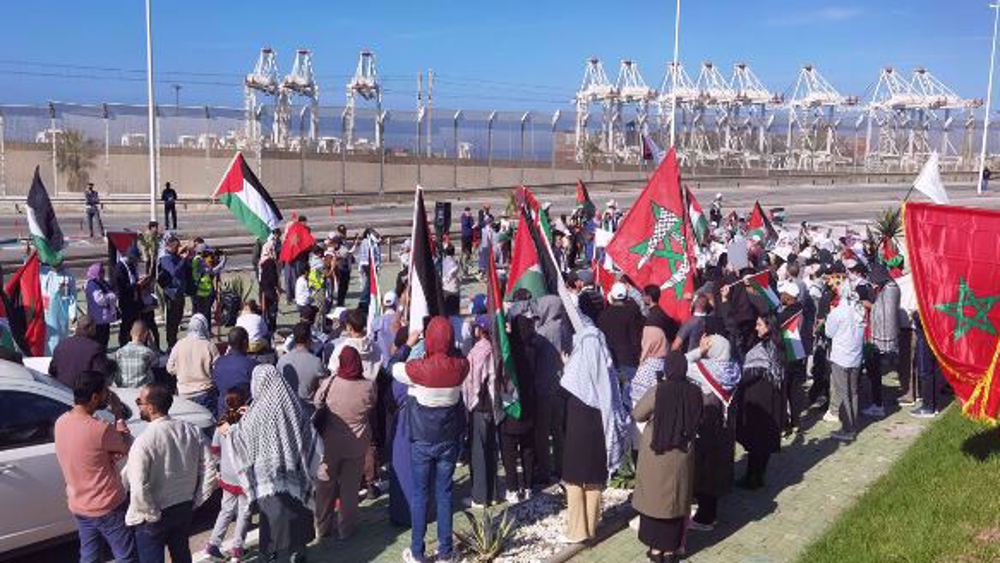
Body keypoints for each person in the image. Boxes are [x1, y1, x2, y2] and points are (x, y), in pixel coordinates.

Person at [392, 317, 469, 563]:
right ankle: (445, 552)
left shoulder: (417, 370)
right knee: (444, 494)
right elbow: (457, 355)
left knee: (420, 495)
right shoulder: (460, 367)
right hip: (448, 439)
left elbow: (392, 366)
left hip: (422, 439)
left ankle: (417, 551)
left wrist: (408, 344)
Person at [227, 365, 318, 563]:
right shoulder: (293, 404)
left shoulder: (257, 411)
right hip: (295, 473)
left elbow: (241, 438)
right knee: (295, 517)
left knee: (274, 522)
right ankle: (298, 553)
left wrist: (235, 426)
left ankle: (275, 555)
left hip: (269, 478)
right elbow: (310, 434)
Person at [560, 298, 629, 544]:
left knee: (576, 477)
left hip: (580, 416)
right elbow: (608, 387)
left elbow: (568, 382)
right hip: (599, 417)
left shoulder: (580, 357)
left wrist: (566, 365)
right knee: (594, 478)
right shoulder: (600, 348)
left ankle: (578, 530)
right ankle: (591, 526)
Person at [54, 370, 137, 563]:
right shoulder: (100, 428)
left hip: (79, 504)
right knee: (126, 556)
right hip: (107, 505)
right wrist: (118, 415)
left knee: (89, 555)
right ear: (94, 397)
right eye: (105, 392)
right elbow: (126, 445)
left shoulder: (61, 422)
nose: (107, 396)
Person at [632, 352, 703, 563]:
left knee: (654, 502)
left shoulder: (658, 391)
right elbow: (699, 418)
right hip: (682, 452)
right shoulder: (695, 391)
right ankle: (671, 551)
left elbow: (637, 414)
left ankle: (655, 550)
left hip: (657, 451)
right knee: (675, 501)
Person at [124, 383, 207, 563]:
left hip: (154, 512)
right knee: (182, 554)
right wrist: (197, 499)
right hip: (183, 506)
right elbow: (209, 468)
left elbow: (137, 485)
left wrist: (151, 513)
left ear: (151, 407)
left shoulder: (144, 441)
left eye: (139, 401)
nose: (137, 405)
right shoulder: (191, 430)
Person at [313, 346, 376, 541]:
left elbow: (317, 402)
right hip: (357, 443)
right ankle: (346, 529)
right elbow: (372, 404)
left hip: (330, 442)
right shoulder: (369, 385)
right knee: (350, 489)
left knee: (325, 485)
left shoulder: (330, 382)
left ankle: (322, 527)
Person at [685, 322, 740, 531]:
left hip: (708, 424)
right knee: (719, 465)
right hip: (726, 427)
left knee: (705, 467)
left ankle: (705, 518)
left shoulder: (704, 369)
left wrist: (700, 350)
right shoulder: (734, 369)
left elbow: (678, 363)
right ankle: (711, 510)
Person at [734, 315, 785, 489]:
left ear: (768, 327)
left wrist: (737, 382)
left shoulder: (764, 348)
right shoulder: (778, 345)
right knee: (763, 441)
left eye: (759, 325)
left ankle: (752, 478)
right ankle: (758, 476)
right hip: (772, 397)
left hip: (759, 399)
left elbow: (751, 374)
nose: (756, 328)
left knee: (757, 441)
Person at [204, 388, 252, 562]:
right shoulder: (248, 421)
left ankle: (213, 544)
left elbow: (215, 449)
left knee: (226, 510)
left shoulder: (222, 423)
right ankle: (237, 548)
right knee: (244, 512)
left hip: (227, 473)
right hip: (245, 473)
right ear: (245, 402)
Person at [532, 295, 571, 484]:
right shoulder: (564, 327)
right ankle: (561, 467)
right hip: (561, 384)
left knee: (542, 431)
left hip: (544, 385)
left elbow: (534, 350)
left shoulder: (544, 332)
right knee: (558, 430)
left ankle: (545, 470)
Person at [463, 315, 499, 507]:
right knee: (491, 449)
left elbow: (471, 381)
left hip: (479, 406)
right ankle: (492, 494)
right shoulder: (497, 348)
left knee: (478, 452)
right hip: (493, 405)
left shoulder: (477, 351)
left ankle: (479, 497)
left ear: (479, 330)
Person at [501, 315, 537, 503]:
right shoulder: (532, 350)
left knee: (509, 452)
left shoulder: (508, 352)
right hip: (529, 406)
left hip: (512, 407)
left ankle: (513, 488)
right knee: (527, 450)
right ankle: (529, 486)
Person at [826, 290, 866, 441]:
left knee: (843, 393)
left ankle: (848, 428)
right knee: (853, 392)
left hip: (841, 357)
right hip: (855, 357)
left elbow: (829, 333)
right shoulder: (859, 311)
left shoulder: (837, 313)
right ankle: (852, 424)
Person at [864, 264, 901, 418]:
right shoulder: (889, 287)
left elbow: (883, 311)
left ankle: (878, 405)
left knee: (875, 370)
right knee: (874, 371)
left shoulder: (890, 290)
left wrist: (869, 305)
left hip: (882, 336)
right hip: (882, 334)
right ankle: (876, 402)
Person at [167, 314, 220, 417]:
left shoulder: (179, 345)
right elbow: (218, 369)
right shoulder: (209, 345)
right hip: (205, 392)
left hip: (184, 393)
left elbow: (170, 368)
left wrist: (182, 370)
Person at [598, 282, 644, 399]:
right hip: (630, 360)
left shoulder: (603, 315)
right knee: (631, 397)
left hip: (611, 361)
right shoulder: (633, 313)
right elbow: (636, 337)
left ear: (612, 297)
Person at [50, 316, 113, 388]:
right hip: (82, 394)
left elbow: (52, 370)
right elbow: (100, 375)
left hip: (61, 392)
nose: (96, 330)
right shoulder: (95, 348)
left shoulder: (61, 345)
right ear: (90, 328)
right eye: (95, 327)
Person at [277, 321, 326, 411]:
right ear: (309, 338)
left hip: (287, 408)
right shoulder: (316, 362)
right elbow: (324, 388)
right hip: (308, 409)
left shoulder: (282, 360)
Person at [212, 327, 257, 416]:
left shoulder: (219, 362)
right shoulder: (253, 366)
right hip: (245, 414)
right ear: (245, 342)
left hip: (223, 414)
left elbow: (215, 387)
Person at [158, 235, 192, 348]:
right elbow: (174, 271)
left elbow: (186, 268)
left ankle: (174, 339)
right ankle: (170, 342)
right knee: (172, 318)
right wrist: (183, 259)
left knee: (178, 316)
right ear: (170, 246)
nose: (179, 248)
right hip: (171, 292)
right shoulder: (166, 258)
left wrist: (187, 256)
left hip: (180, 291)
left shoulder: (175, 256)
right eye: (176, 246)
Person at [40, 262, 77, 355]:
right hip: (46, 317)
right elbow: (29, 270)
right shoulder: (44, 274)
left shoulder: (68, 276)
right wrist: (27, 257)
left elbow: (72, 299)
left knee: (61, 341)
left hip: (61, 317)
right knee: (48, 342)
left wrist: (73, 319)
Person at [113, 320, 157, 388]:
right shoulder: (147, 352)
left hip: (124, 388)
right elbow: (156, 363)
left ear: (131, 333)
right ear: (146, 334)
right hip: (142, 389)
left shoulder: (119, 352)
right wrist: (152, 344)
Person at [114, 248, 143, 348]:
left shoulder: (132, 266)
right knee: (126, 324)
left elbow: (135, 279)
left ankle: (133, 342)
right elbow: (121, 287)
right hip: (126, 301)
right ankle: (123, 345)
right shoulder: (120, 267)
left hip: (135, 300)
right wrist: (135, 285)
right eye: (135, 259)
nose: (136, 261)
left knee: (135, 323)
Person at [85, 262, 118, 349]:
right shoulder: (92, 284)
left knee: (105, 340)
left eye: (103, 271)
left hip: (105, 318)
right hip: (97, 319)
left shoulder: (103, 283)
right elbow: (100, 300)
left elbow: (112, 293)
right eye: (101, 272)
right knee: (98, 341)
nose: (103, 274)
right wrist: (111, 296)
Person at [258, 237, 281, 332]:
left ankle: (267, 328)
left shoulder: (262, 262)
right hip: (270, 291)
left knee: (266, 311)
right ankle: (272, 329)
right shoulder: (270, 263)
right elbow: (273, 278)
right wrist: (277, 288)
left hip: (264, 289)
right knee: (272, 312)